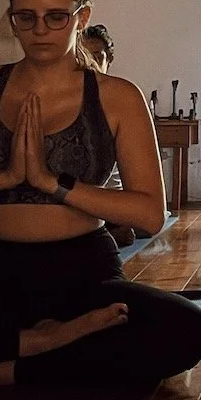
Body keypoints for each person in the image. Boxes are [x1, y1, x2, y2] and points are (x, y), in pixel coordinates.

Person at [0, 0, 201, 388]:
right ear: (11, 18)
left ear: (82, 16)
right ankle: (37, 348)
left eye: (56, 17)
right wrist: (4, 177)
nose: (39, 31)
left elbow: (150, 214)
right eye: (26, 17)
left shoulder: (117, 97)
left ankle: (5, 365)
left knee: (188, 330)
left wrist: (51, 183)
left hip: (81, 271)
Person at [78, 23, 136, 248]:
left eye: (97, 56)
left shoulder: (122, 101)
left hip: (114, 202)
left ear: (108, 60)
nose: (90, 63)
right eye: (84, 55)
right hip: (76, 199)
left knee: (129, 231)